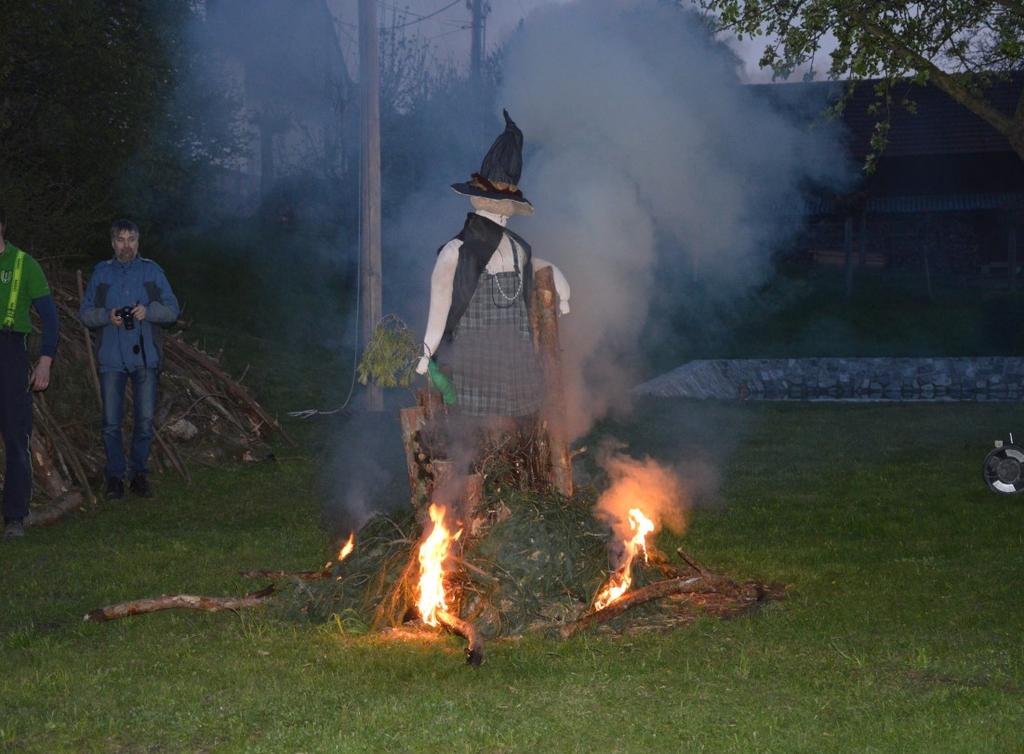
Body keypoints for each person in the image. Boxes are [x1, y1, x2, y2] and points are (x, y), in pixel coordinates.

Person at [416, 110, 570, 417]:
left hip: (517, 365)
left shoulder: (516, 247)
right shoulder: (456, 250)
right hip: (476, 365)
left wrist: (563, 294)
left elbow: (538, 267)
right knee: (476, 430)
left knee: (519, 426)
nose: (503, 212)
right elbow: (442, 303)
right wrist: (427, 351)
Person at [80, 220, 179, 499]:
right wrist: (106, 316)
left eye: (131, 239)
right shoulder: (101, 273)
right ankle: (114, 477)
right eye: (121, 240)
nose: (126, 245)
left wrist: (149, 311)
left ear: (138, 242)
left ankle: (139, 475)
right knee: (111, 422)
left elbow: (173, 310)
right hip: (111, 358)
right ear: (113, 243)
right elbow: (86, 313)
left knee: (144, 421)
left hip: (145, 358)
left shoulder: (151, 271)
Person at [0, 207, 59, 539]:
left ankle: (14, 518)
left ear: (3, 226)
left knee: (16, 436)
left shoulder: (24, 264)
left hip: (9, 352)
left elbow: (50, 319)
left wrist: (45, 361)